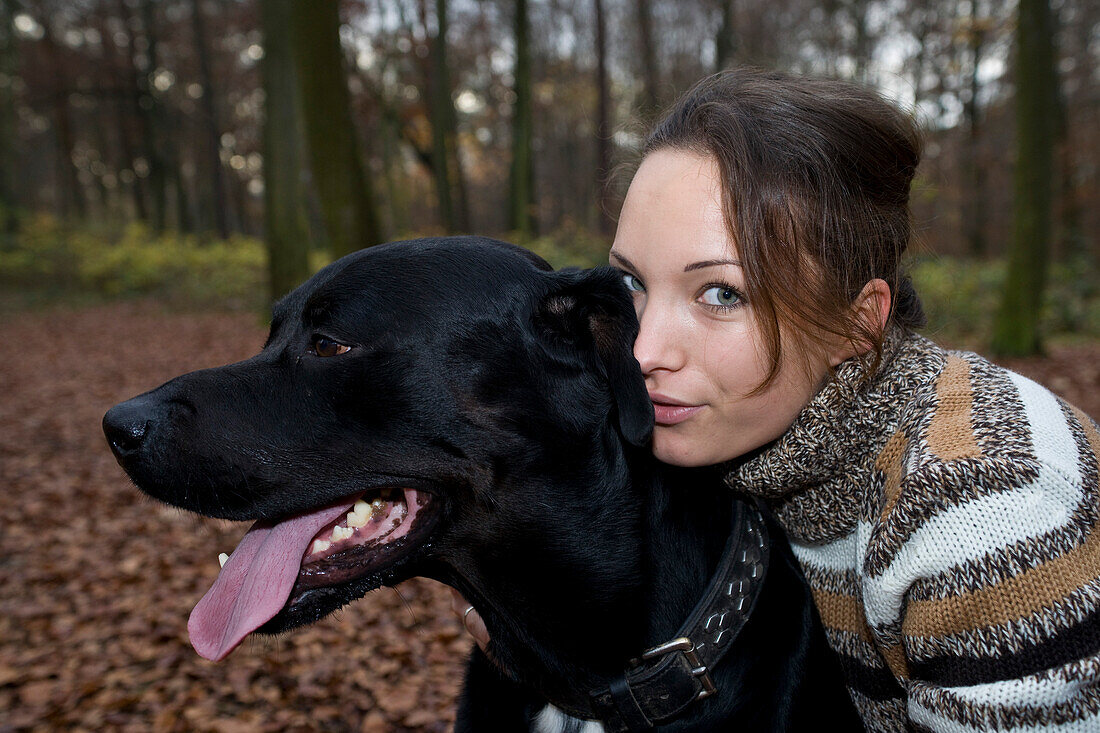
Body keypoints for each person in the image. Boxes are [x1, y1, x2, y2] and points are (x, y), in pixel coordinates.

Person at [455, 67, 1100, 731]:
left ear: (855, 324)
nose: (643, 349)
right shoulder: (718, 427)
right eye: (632, 281)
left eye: (722, 293)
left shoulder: (988, 502)